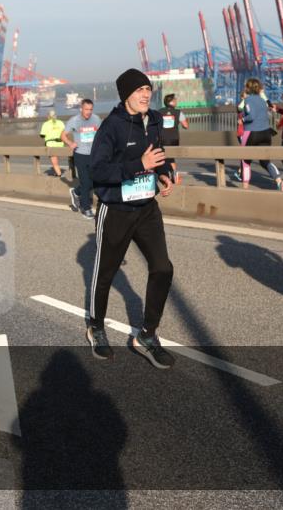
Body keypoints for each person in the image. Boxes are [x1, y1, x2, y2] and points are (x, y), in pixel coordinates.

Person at [86, 68, 176, 369]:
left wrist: (165, 175)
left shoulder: (154, 120)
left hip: (146, 208)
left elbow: (158, 154)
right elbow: (97, 171)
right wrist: (139, 164)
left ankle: (148, 334)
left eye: (148, 89)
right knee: (105, 274)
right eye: (139, 90)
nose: (146, 94)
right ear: (126, 95)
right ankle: (96, 327)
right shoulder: (111, 127)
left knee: (163, 268)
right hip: (116, 210)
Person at [234, 79, 283, 191]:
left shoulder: (248, 100)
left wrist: (242, 120)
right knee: (265, 161)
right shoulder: (263, 100)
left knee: (245, 161)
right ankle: (279, 182)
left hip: (252, 133)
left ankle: (245, 188)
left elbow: (251, 116)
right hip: (266, 133)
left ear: (247, 88)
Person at [62, 98, 103, 219]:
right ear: (81, 108)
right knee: (85, 182)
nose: (88, 112)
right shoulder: (74, 121)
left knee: (93, 181)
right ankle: (86, 208)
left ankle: (76, 192)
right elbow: (63, 135)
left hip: (93, 155)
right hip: (80, 154)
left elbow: (101, 134)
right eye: (86, 109)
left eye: (90, 109)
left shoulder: (96, 119)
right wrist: (70, 143)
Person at [157, 93, 189, 183]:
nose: (176, 101)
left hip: (162, 139)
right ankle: (175, 176)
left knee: (163, 157)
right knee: (171, 158)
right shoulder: (178, 112)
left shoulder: (159, 112)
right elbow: (186, 126)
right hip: (174, 139)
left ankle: (164, 176)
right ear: (172, 102)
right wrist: (186, 121)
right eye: (175, 100)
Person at [40, 110, 66, 177]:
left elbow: (42, 135)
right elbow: (65, 133)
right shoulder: (60, 122)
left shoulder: (46, 124)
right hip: (60, 144)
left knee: (54, 162)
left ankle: (59, 175)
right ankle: (57, 172)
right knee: (56, 160)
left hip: (51, 144)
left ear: (48, 116)